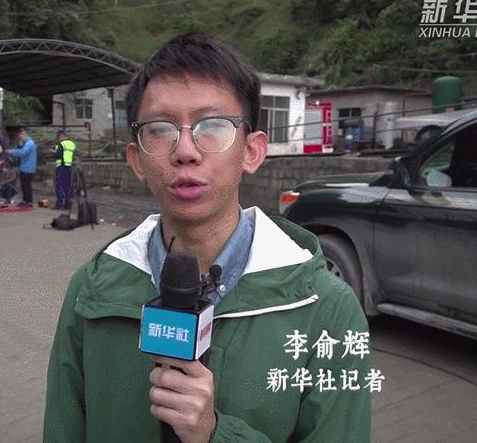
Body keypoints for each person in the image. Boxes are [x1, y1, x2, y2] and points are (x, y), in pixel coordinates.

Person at [43, 34, 370, 442]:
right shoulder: (91, 291)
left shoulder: (328, 311)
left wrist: (213, 434)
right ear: (136, 159)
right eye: (160, 129)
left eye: (212, 126)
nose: (185, 150)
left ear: (252, 151)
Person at [7, 128, 36, 207]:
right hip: (25, 167)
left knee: (26, 185)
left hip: (27, 168)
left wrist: (12, 151)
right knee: (24, 185)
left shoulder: (29, 143)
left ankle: (28, 201)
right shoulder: (27, 143)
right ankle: (25, 200)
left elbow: (22, 153)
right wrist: (19, 146)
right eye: (20, 137)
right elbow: (22, 152)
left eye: (21, 137)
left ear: (25, 134)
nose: (21, 139)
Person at [53, 129, 76, 210]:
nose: (58, 139)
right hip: (69, 167)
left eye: (58, 137)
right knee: (68, 186)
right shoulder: (72, 144)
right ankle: (67, 204)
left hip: (61, 167)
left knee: (59, 186)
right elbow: (74, 155)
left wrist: (53, 153)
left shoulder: (61, 144)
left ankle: (59, 204)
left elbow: (58, 155)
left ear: (61, 136)